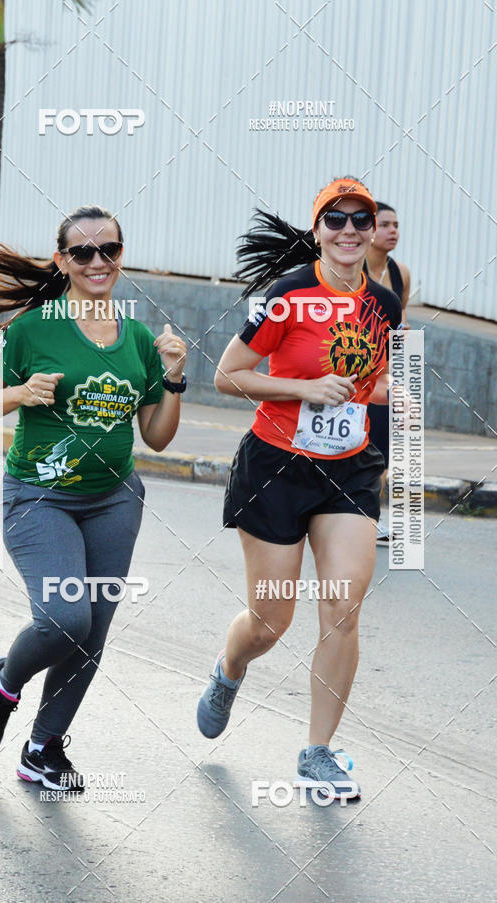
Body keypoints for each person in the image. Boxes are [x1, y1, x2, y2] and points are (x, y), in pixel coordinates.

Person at [0, 205, 187, 789]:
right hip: (39, 497)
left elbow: (158, 438)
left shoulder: (138, 339)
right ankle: (4, 684)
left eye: (107, 250)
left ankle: (42, 749)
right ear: (62, 260)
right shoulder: (32, 329)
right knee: (65, 618)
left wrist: (174, 379)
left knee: (92, 633)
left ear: (120, 256)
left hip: (115, 499)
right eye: (82, 252)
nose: (97, 262)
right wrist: (20, 393)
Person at [196, 177, 401, 799]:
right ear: (318, 230)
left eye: (360, 220)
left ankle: (317, 753)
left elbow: (383, 378)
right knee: (270, 620)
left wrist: (387, 415)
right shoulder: (286, 295)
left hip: (348, 470)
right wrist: (305, 390)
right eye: (334, 220)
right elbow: (227, 374)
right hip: (277, 467)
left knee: (343, 608)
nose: (348, 230)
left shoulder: (385, 304)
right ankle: (230, 669)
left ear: (372, 231)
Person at [363, 202, 411, 543]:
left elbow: (400, 319)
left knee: (381, 451)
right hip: (346, 373)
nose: (393, 230)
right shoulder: (350, 267)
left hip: (383, 376)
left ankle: (368, 517)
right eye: (386, 224)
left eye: (396, 225)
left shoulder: (399, 273)